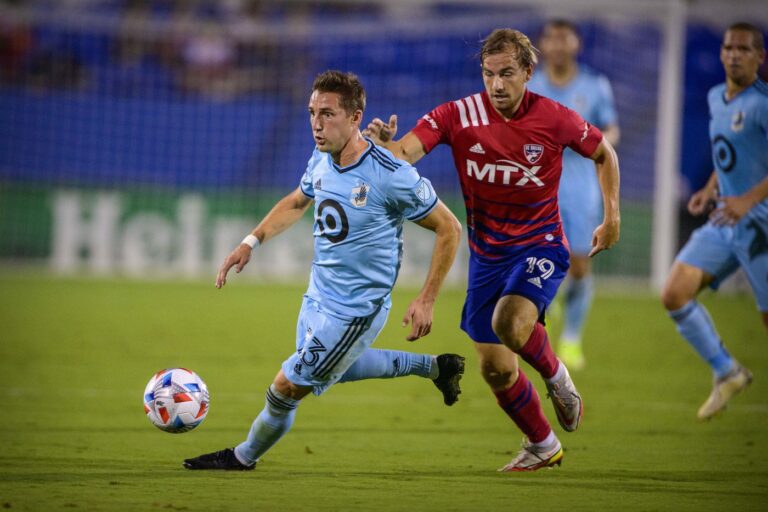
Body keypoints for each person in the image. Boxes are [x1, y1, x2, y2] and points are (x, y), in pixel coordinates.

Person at [364, 28, 620, 471]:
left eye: (507, 74)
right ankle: (543, 444)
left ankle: (557, 376)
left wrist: (612, 216)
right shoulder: (457, 114)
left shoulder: (556, 117)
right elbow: (405, 152)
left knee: (510, 323)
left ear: (527, 72)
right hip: (488, 256)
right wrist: (386, 147)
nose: (497, 85)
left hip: (540, 244)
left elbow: (605, 154)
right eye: (488, 74)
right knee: (496, 369)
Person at [184, 70, 465, 471]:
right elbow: (298, 202)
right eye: (312, 112)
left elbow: (449, 228)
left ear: (355, 117)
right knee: (335, 371)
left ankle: (243, 457)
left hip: (355, 311)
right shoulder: (321, 157)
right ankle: (438, 367)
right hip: (317, 295)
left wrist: (427, 299)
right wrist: (251, 242)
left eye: (328, 114)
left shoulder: (390, 175)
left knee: (285, 388)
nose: (317, 123)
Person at [661, 22, 767, 421]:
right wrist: (710, 187)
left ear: (760, 57)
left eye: (744, 48)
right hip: (726, 217)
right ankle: (727, 371)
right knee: (674, 292)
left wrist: (746, 200)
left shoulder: (763, 103)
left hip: (761, 222)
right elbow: (729, 154)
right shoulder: (715, 97)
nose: (734, 54)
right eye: (728, 47)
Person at [527, 20, 621, 371]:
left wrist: (596, 141)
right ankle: (542, 335)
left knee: (580, 266)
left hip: (581, 188)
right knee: (535, 260)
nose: (557, 44)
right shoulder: (531, 87)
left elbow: (612, 129)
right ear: (542, 45)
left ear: (576, 44)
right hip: (537, 187)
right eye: (550, 37)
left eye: (564, 37)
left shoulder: (594, 86)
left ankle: (571, 338)